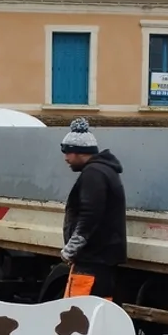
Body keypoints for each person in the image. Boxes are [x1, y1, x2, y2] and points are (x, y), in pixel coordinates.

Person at [59, 118, 127, 301]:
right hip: (103, 260)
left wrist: (71, 248)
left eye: (67, 152)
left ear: (80, 152)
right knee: (100, 311)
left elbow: (90, 215)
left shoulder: (93, 174)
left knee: (77, 312)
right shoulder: (106, 170)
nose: (66, 158)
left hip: (91, 259)